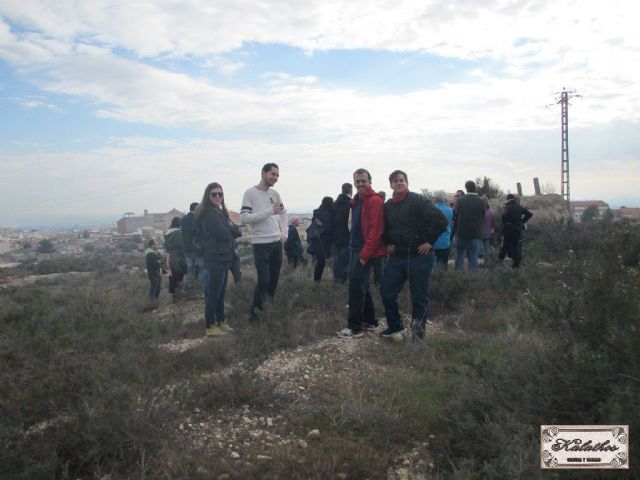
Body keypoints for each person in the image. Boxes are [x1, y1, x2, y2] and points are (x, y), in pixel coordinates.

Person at [379, 171, 448, 341]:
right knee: (386, 291)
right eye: (395, 181)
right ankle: (395, 327)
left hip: (419, 256)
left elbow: (441, 220)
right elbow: (385, 228)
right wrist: (388, 242)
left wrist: (430, 241)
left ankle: (418, 335)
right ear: (391, 185)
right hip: (398, 256)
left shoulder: (419, 201)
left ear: (407, 183)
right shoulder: (388, 206)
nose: (399, 183)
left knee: (419, 297)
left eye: (401, 180)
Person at [337, 168, 386, 338]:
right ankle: (370, 321)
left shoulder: (375, 201)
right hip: (356, 247)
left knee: (355, 287)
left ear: (370, 181)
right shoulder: (357, 200)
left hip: (364, 250)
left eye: (363, 181)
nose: (360, 184)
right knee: (362, 285)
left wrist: (365, 254)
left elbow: (376, 231)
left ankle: (355, 327)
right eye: (357, 182)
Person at [240, 163, 288, 320]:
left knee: (273, 281)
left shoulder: (275, 193)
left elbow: (283, 213)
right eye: (273, 174)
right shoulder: (250, 193)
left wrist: (284, 233)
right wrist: (270, 211)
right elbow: (244, 217)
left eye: (277, 175)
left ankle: (268, 312)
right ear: (263, 173)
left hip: (276, 243)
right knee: (264, 281)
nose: (275, 178)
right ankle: (254, 318)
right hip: (260, 244)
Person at [195, 182, 240, 336]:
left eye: (220, 194)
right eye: (214, 194)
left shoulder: (218, 212)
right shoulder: (209, 214)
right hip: (215, 258)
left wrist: (231, 229)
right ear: (208, 196)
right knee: (213, 294)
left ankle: (221, 321)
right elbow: (224, 233)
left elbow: (231, 230)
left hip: (223, 257)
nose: (217, 197)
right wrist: (231, 229)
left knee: (220, 293)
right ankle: (210, 326)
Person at [454, 181, 486, 272]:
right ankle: (473, 276)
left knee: (459, 253)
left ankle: (458, 274)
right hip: (475, 232)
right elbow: (482, 215)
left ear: (466, 188)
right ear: (475, 188)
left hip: (462, 232)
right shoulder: (481, 201)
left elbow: (456, 214)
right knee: (473, 254)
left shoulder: (460, 200)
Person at [499, 194, 533, 268]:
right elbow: (529, 214)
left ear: (507, 199)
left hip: (508, 229)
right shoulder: (519, 206)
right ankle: (515, 264)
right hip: (517, 229)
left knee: (505, 245)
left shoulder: (507, 206)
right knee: (516, 246)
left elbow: (504, 215)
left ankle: (500, 261)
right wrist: (522, 221)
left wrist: (506, 223)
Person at [181, 202, 205, 298]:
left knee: (190, 270)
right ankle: (200, 289)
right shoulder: (197, 218)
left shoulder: (184, 219)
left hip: (186, 250)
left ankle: (191, 291)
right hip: (196, 249)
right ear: (196, 208)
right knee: (203, 268)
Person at [331, 183, 352, 284]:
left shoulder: (334, 204)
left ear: (342, 190)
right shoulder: (350, 204)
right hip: (346, 236)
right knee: (345, 259)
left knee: (336, 259)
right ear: (350, 191)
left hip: (335, 236)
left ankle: (336, 279)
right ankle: (343, 280)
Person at [308, 196, 333, 281]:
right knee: (322, 262)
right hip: (324, 241)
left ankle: (317, 280)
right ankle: (317, 281)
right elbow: (329, 228)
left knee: (319, 262)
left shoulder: (316, 213)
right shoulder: (328, 214)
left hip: (316, 240)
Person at [164, 216, 187, 302]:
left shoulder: (167, 234)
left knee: (172, 277)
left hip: (170, 257)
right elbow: (181, 245)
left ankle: (174, 296)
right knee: (179, 275)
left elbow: (166, 247)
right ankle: (178, 295)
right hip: (178, 257)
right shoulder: (178, 233)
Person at [432, 190, 453, 271]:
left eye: (434, 197)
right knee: (444, 264)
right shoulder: (450, 210)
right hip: (446, 240)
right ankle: (444, 277)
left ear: (436, 198)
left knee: (434, 264)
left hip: (434, 240)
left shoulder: (433, 209)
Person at [144, 239, 164, 310]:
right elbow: (155, 263)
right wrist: (160, 261)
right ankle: (152, 305)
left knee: (157, 290)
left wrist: (160, 261)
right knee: (153, 291)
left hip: (158, 274)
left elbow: (161, 259)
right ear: (152, 245)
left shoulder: (155, 252)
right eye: (156, 244)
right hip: (154, 274)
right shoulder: (150, 253)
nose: (158, 245)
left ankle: (155, 305)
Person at [481, 195, 496, 263]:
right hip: (488, 232)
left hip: (480, 232)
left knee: (481, 248)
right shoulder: (491, 212)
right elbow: (493, 223)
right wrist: (492, 229)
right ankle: (488, 261)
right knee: (487, 247)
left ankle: (484, 261)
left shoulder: (479, 212)